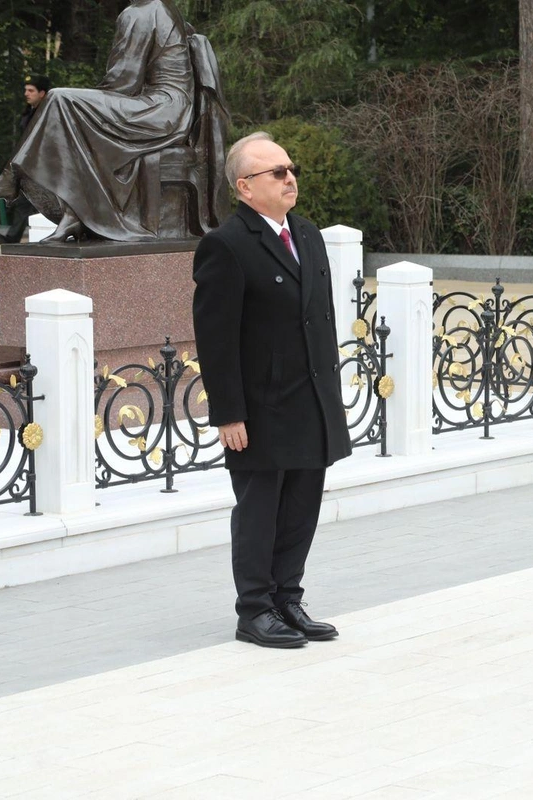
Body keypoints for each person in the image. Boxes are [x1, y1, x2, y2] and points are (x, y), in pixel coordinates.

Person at [191, 132, 352, 648]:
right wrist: (228, 413)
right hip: (260, 407)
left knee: (303, 504)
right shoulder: (227, 244)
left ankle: (288, 599)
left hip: (310, 399)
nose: (290, 178)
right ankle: (255, 609)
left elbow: (317, 321)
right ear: (244, 187)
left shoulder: (307, 234)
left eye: (291, 169)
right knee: (260, 510)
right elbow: (216, 339)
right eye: (276, 172)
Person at [0, 0, 197, 242]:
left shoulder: (141, 11)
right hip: (172, 108)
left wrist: (93, 102)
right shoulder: (163, 6)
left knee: (61, 99)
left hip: (160, 109)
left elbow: (124, 80)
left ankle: (13, 176)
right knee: (68, 106)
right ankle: (72, 213)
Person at [0, 75, 51, 246]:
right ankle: (12, 238)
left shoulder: (48, 112)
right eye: (26, 90)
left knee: (44, 203)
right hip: (30, 167)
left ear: (42, 93)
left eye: (31, 90)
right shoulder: (29, 112)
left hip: (46, 168)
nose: (26, 93)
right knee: (24, 202)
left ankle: (13, 237)